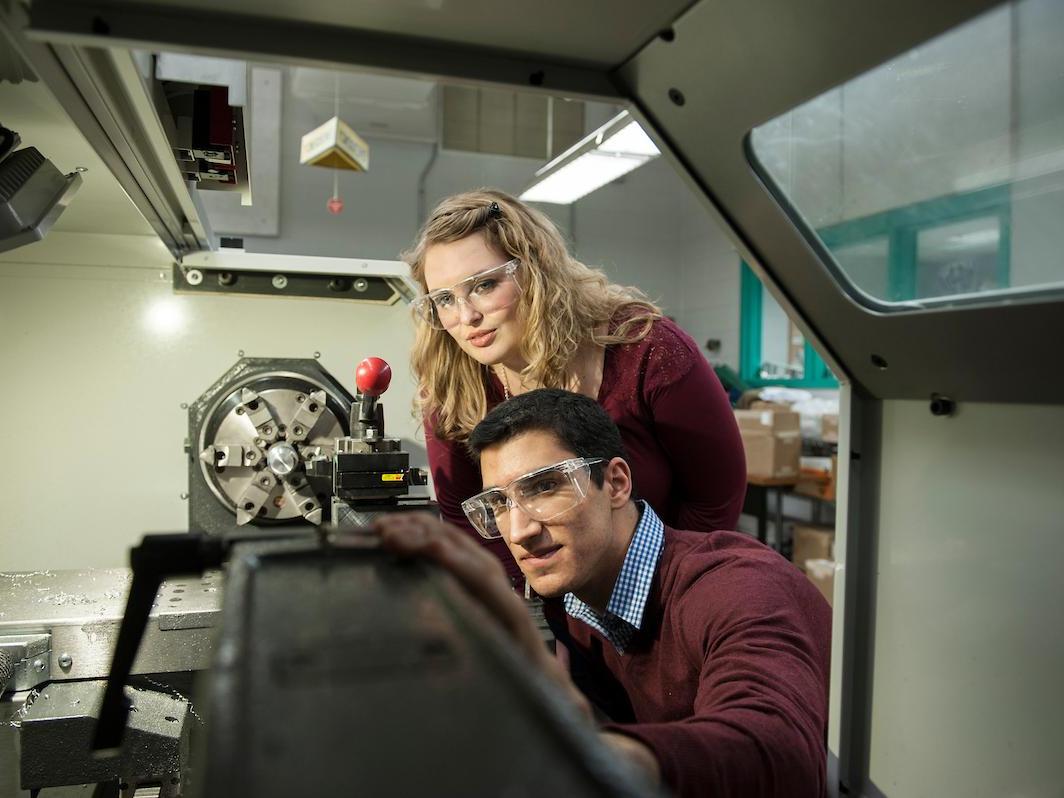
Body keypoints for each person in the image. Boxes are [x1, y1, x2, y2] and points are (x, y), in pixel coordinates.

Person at [374, 389, 831, 798]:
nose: (520, 531)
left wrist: (591, 753)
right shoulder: (573, 603)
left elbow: (780, 751)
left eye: (545, 487)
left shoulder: (735, 586)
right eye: (500, 503)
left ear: (615, 483)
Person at [403, 188, 747, 583]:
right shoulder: (451, 383)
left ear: (535, 270)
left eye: (484, 285)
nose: (466, 316)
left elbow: (715, 500)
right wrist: (541, 613)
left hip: (664, 587)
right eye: (444, 299)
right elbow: (469, 520)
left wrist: (658, 598)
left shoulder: (646, 349)